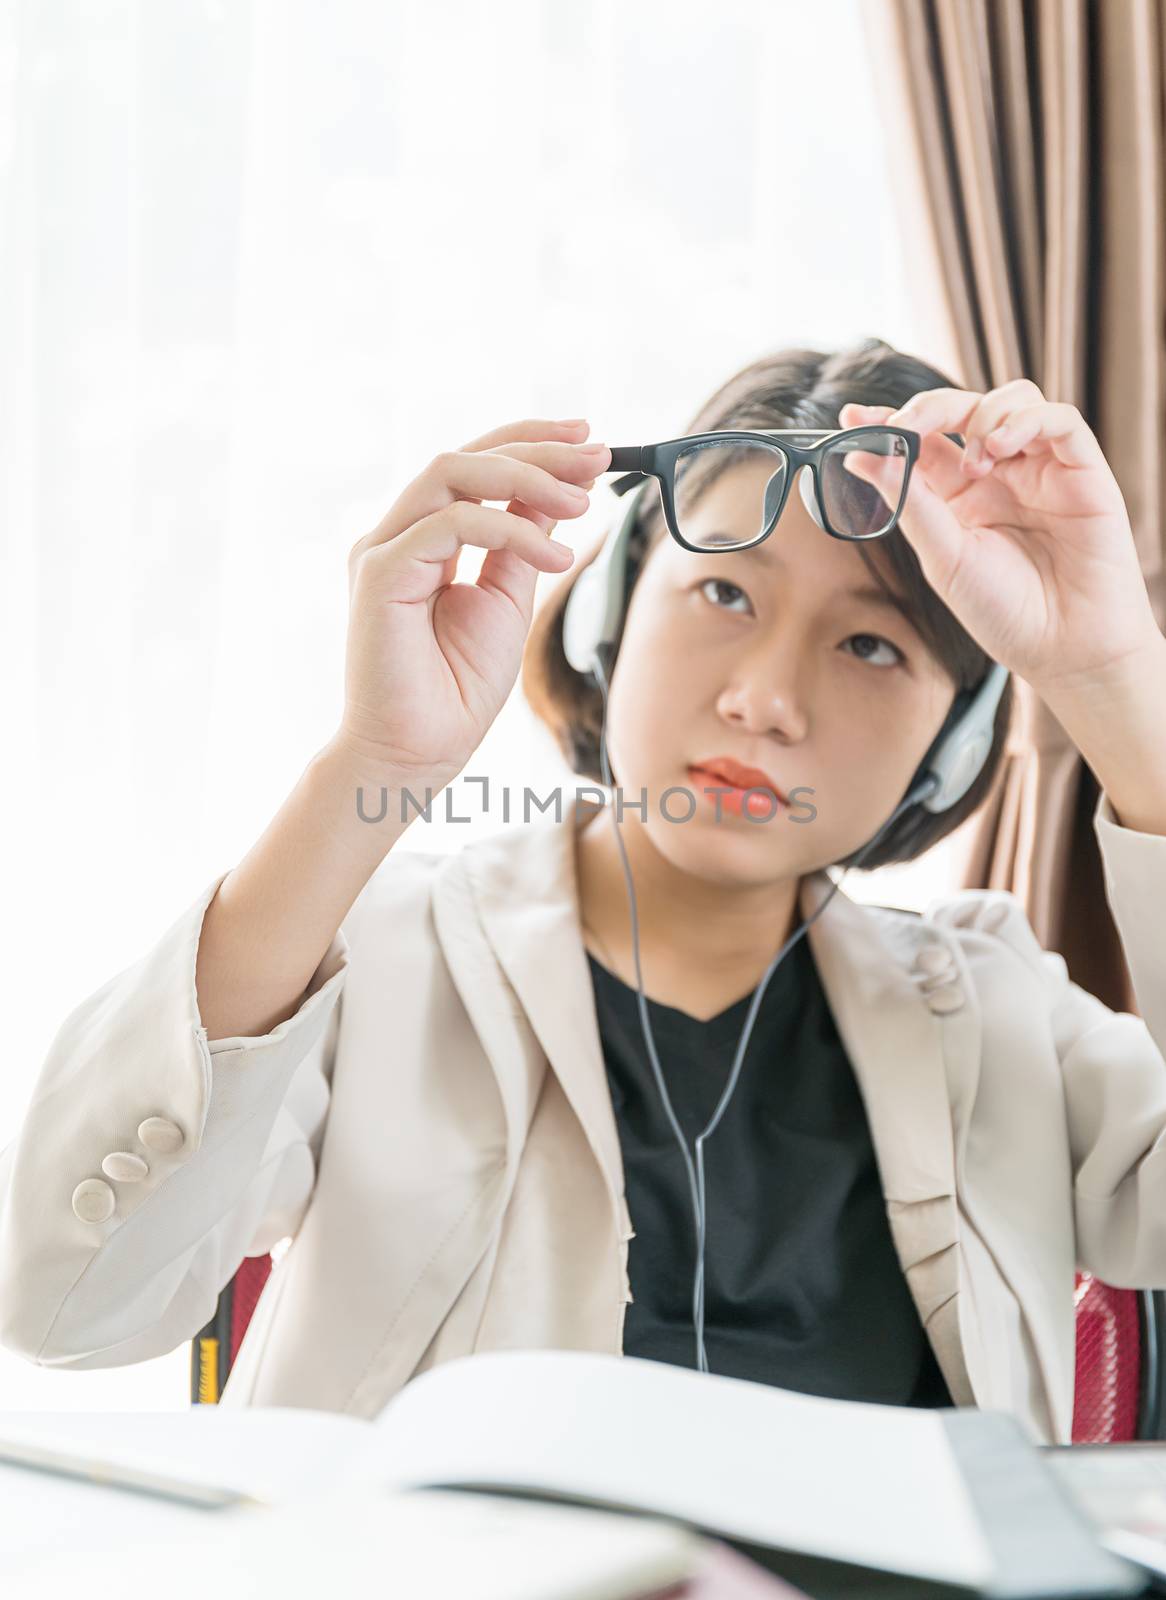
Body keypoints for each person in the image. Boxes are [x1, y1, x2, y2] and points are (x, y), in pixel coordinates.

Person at [2, 337, 1164, 1449]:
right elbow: (66, 1303)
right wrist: (375, 765)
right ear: (612, 612)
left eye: (869, 647)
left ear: (950, 745)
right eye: (723, 594)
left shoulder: (998, 1007)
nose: (766, 700)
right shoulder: (374, 958)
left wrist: (1109, 681)